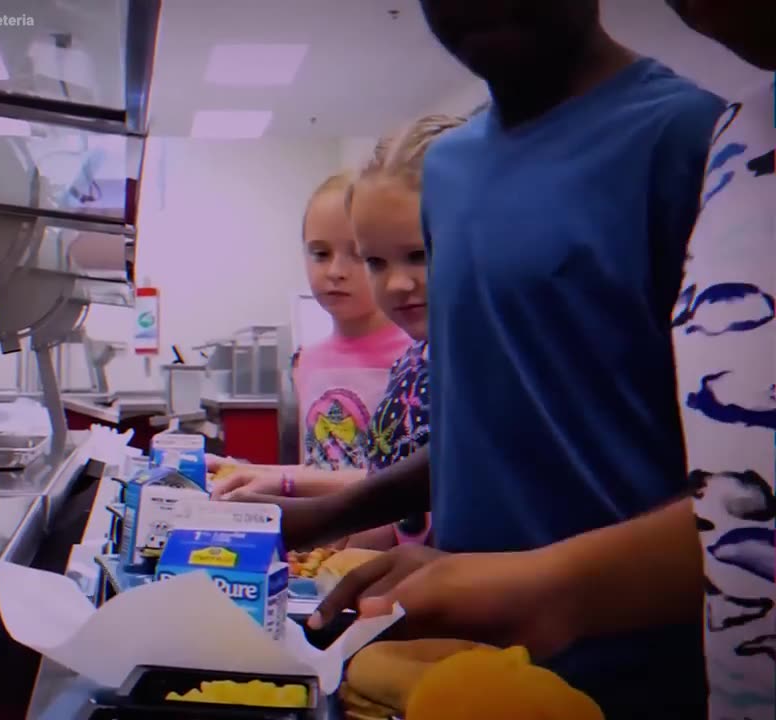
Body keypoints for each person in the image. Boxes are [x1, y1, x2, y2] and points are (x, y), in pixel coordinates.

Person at [235, 2, 727, 717]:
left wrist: (545, 587)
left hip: (635, 671)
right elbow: (491, 419)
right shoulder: (453, 172)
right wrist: (322, 516)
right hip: (459, 666)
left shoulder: (691, 139)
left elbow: (747, 474)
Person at [215, 116, 465, 549]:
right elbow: (393, 497)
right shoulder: (413, 362)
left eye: (418, 255)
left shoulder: (483, 366)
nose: (397, 283)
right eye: (377, 262)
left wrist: (292, 489)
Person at [208, 172, 411, 495]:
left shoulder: (415, 358)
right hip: (324, 540)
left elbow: (398, 480)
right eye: (320, 253)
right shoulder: (308, 360)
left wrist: (281, 483)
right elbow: (320, 469)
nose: (334, 272)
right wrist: (243, 471)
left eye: (357, 255)